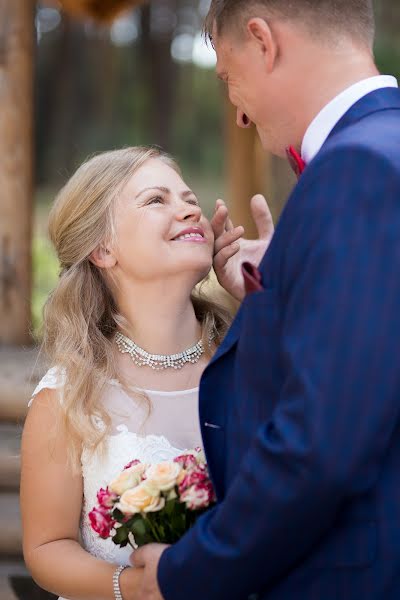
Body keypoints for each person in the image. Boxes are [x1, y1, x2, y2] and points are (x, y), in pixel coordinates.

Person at [134, 1, 400, 599]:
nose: (237, 113)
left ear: (262, 40)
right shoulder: (384, 151)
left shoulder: (355, 168)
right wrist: (282, 282)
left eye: (229, 77)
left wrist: (187, 571)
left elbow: (323, 445)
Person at [20, 146, 236, 600]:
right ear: (103, 248)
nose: (190, 208)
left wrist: (257, 298)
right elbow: (47, 546)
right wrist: (133, 587)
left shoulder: (249, 362)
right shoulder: (69, 394)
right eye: (157, 200)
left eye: (189, 197)